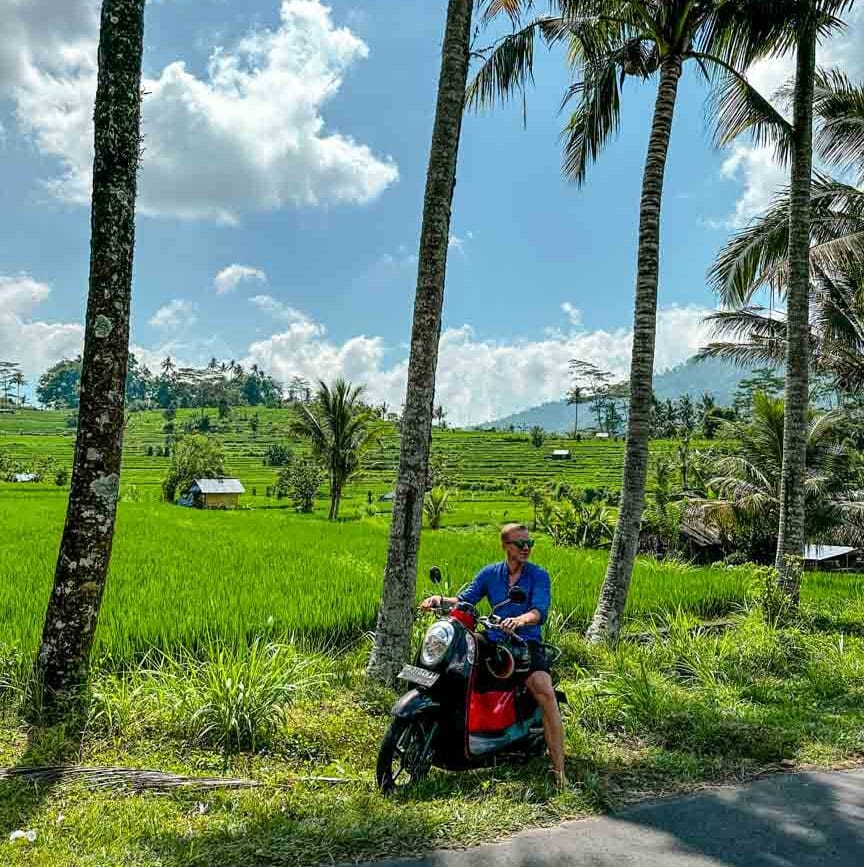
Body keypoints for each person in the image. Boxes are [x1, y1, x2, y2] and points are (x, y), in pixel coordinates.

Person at [421, 522, 567, 788]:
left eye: (529, 544)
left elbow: (539, 611)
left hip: (525, 642)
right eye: (520, 544)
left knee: (543, 688)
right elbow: (465, 599)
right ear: (505, 545)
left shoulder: (538, 576)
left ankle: (559, 772)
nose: (526, 548)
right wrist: (439, 600)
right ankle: (469, 736)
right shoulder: (490, 574)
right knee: (456, 665)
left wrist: (520, 620)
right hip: (493, 639)